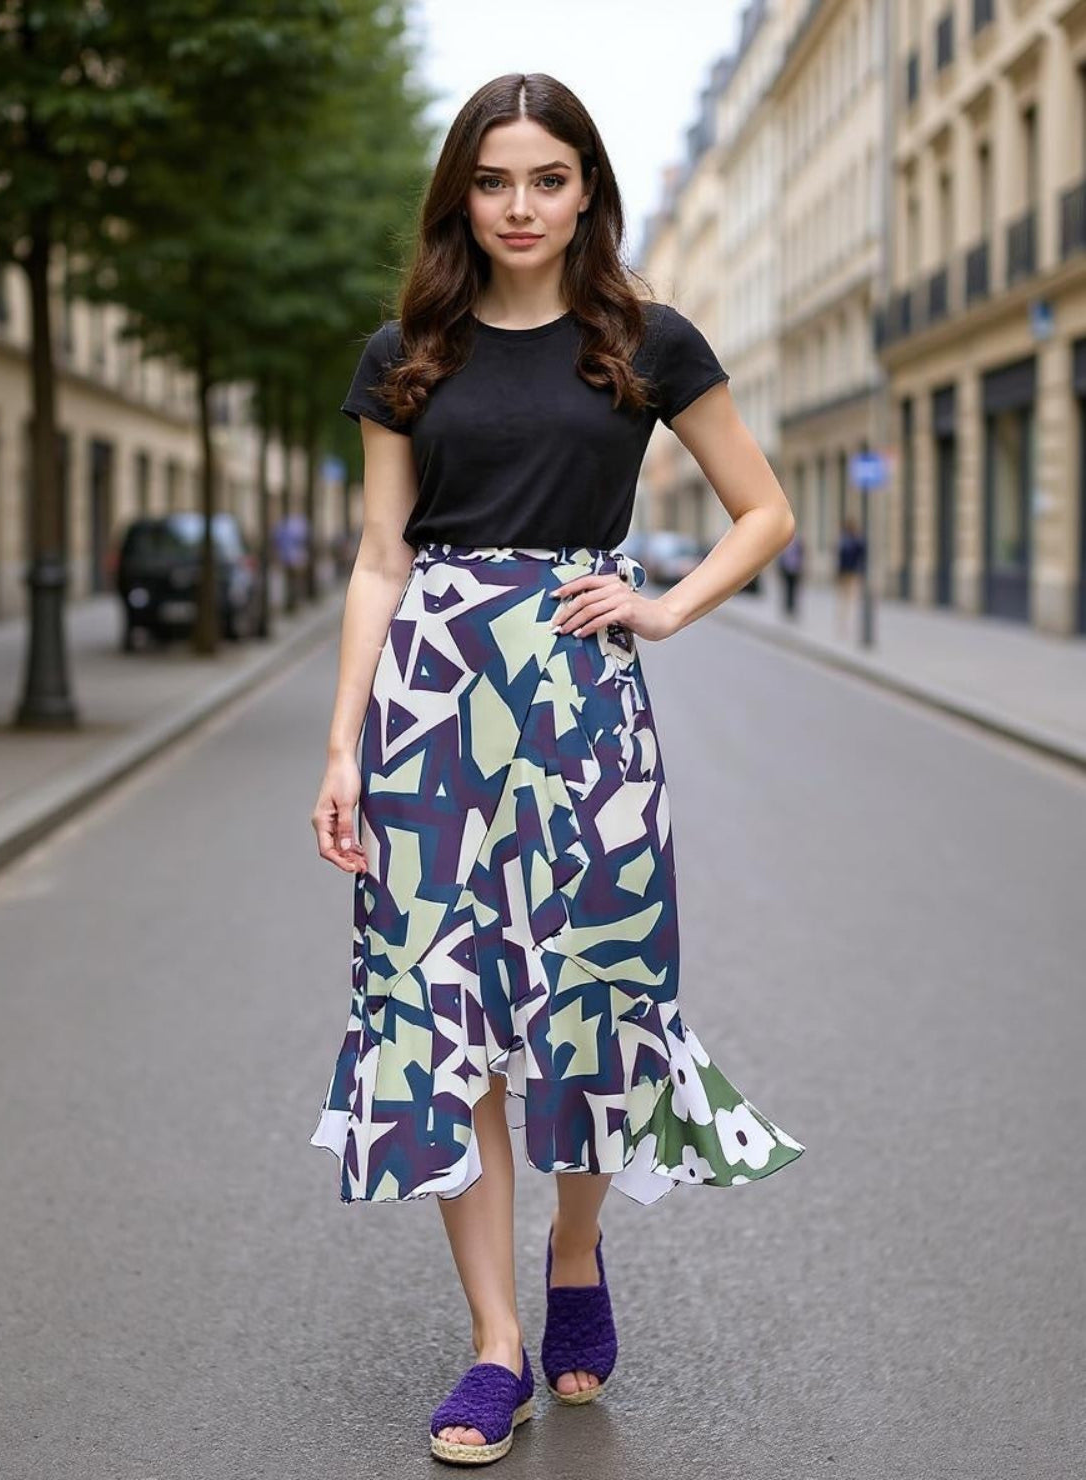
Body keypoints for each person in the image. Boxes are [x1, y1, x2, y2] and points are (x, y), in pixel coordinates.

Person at [307, 72, 804, 1466]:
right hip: (428, 707)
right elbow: (379, 558)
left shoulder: (644, 342)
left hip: (584, 708)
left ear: (586, 187)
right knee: (444, 1009)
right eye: (493, 180)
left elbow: (761, 510)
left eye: (547, 178)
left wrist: (660, 604)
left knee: (592, 994)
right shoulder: (407, 350)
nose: (520, 206)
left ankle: (575, 1257)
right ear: (459, 194)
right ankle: (493, 1344)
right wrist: (345, 745)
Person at [835, 514, 866, 638]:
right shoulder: (855, 542)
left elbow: (840, 559)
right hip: (851, 574)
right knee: (849, 601)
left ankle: (844, 626)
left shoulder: (845, 542)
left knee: (845, 601)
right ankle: (846, 625)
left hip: (847, 574)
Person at [778, 530, 805, 617]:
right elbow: (782, 557)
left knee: (793, 589)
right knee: (788, 589)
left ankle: (791, 606)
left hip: (795, 569)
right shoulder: (786, 542)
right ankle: (788, 606)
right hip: (788, 569)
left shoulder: (797, 543)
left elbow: (801, 555)